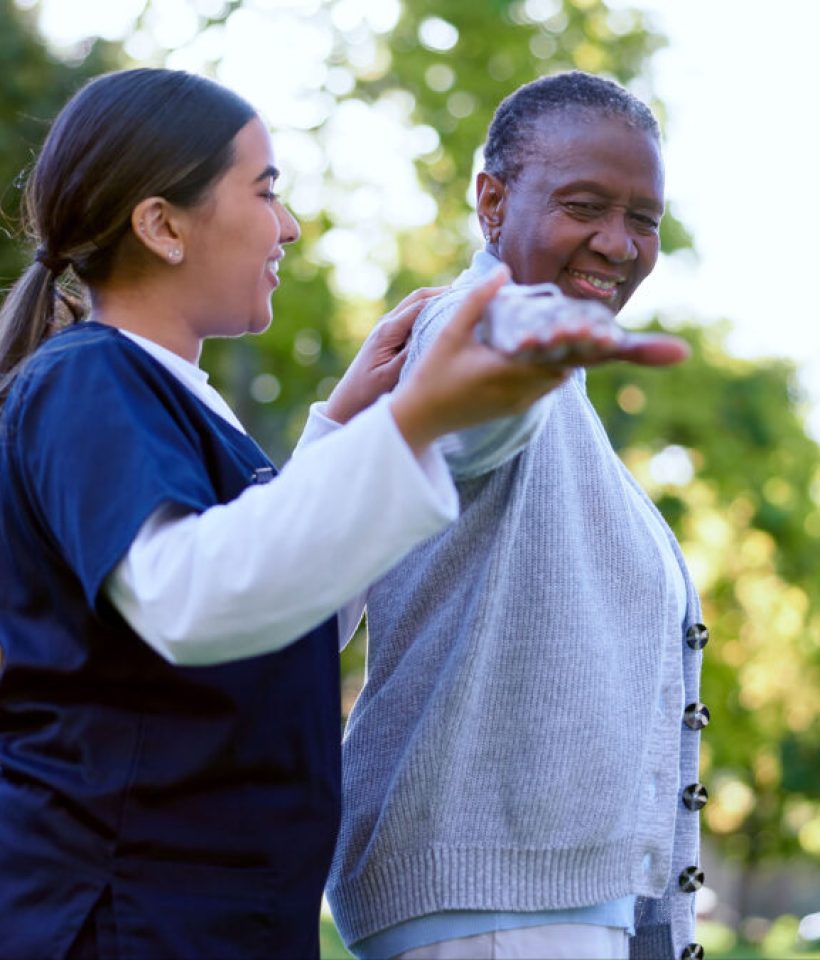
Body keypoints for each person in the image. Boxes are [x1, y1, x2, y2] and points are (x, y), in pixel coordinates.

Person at [0, 68, 639, 960]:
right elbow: (188, 598)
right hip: (120, 919)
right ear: (162, 224)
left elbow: (289, 619)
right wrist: (413, 423)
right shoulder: (85, 379)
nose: (289, 225)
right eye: (265, 192)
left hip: (212, 922)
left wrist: (343, 427)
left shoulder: (174, 402)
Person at [326, 72, 710, 960]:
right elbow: (471, 429)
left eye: (644, 219)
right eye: (584, 205)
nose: (619, 243)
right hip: (493, 914)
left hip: (539, 909)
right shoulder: (476, 328)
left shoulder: (558, 386)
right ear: (492, 202)